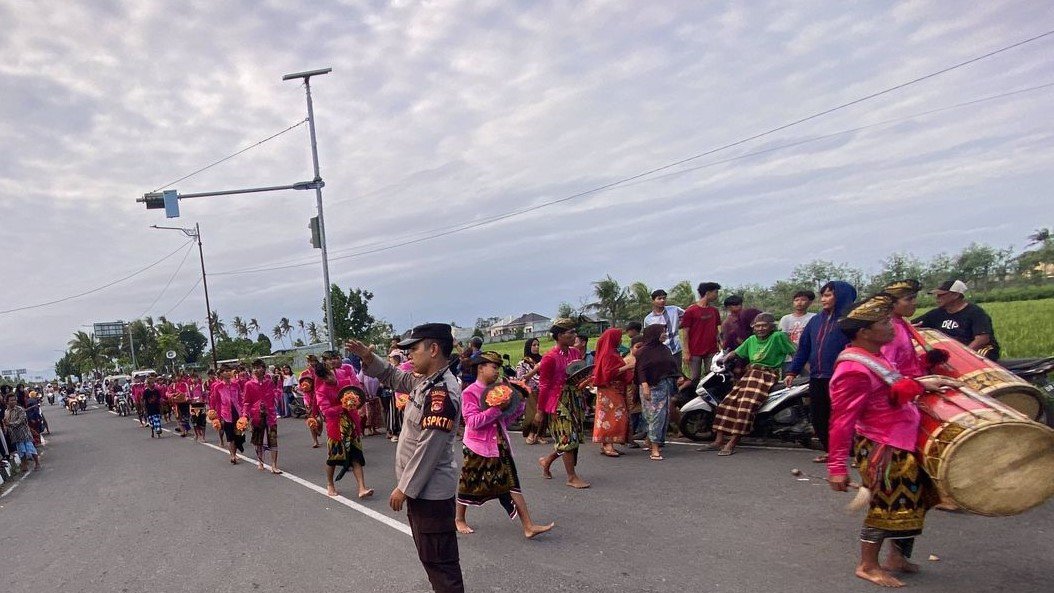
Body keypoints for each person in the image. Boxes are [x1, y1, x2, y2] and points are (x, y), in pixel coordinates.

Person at [827, 293, 958, 588]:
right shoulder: (852, 369)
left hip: (903, 439)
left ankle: (896, 557)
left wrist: (922, 382)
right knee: (886, 508)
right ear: (864, 332)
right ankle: (867, 564)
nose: (891, 326)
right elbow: (841, 421)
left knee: (914, 503)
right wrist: (836, 467)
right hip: (882, 448)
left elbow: (891, 390)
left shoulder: (878, 355)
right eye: (884, 322)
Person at [347, 323, 465, 593]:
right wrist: (367, 357)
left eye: (414, 349)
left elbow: (429, 448)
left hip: (429, 493)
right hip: (424, 493)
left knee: (441, 563)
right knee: (432, 559)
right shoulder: (427, 381)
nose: (409, 355)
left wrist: (404, 488)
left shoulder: (441, 393)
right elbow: (393, 377)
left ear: (433, 349)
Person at [455, 351, 554, 539]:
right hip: (478, 447)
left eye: (498, 368)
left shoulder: (498, 390)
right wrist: (496, 409)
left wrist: (519, 404)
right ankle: (459, 518)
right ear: (481, 368)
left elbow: (505, 421)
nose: (496, 371)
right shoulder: (470, 393)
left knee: (512, 485)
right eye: (493, 367)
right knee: (468, 483)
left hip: (499, 445)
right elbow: (473, 422)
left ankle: (528, 526)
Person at [785, 280, 857, 463]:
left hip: (843, 377)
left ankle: (858, 453)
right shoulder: (816, 320)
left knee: (848, 417)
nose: (823, 299)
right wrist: (792, 371)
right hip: (817, 376)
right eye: (822, 295)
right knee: (819, 417)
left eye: (827, 295)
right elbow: (804, 348)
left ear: (840, 296)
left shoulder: (852, 321)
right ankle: (831, 451)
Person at [705, 313, 796, 456]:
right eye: (757, 326)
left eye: (764, 326)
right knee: (726, 403)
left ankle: (733, 442)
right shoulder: (752, 339)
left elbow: (794, 351)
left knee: (746, 406)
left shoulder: (778, 337)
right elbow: (737, 352)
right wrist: (723, 358)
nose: (760, 329)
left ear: (771, 326)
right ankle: (719, 440)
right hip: (750, 374)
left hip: (766, 375)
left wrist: (794, 371)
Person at [523, 318, 590, 489]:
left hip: (574, 398)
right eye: (570, 332)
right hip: (558, 400)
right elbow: (544, 385)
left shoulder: (575, 353)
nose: (574, 335)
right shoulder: (549, 358)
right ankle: (571, 476)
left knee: (572, 438)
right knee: (567, 437)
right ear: (560, 335)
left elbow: (579, 373)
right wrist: (540, 410)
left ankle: (547, 460)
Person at [314, 361, 373, 499]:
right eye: (326, 376)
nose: (330, 377)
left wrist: (357, 402)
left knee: (356, 457)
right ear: (322, 378)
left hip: (352, 424)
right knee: (333, 459)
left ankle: (362, 488)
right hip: (336, 427)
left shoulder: (344, 377)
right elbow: (327, 411)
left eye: (330, 372)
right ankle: (330, 484)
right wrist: (344, 406)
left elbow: (357, 393)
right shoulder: (321, 391)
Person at [914, 279, 1000, 360]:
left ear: (956, 295)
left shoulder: (975, 312)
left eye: (941, 295)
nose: (937, 298)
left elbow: (982, 339)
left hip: (975, 351)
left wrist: (962, 355)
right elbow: (913, 325)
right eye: (937, 295)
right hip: (952, 352)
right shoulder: (936, 314)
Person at [634, 325, 684, 461]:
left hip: (665, 386)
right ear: (654, 334)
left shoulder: (665, 349)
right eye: (662, 332)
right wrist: (645, 386)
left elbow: (672, 365)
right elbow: (641, 370)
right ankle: (654, 448)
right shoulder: (643, 351)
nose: (665, 335)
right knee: (654, 416)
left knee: (663, 415)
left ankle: (652, 442)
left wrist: (678, 376)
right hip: (650, 387)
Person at [591, 328, 633, 457]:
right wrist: (628, 367)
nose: (620, 340)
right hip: (610, 389)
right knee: (612, 417)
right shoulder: (608, 355)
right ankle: (608, 444)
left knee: (614, 416)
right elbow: (608, 373)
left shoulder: (612, 353)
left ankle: (608, 444)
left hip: (615, 389)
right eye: (619, 337)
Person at [680, 282, 722, 392]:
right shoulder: (691, 311)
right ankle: (691, 400)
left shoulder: (714, 311)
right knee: (694, 378)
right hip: (695, 350)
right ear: (707, 293)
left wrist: (721, 347)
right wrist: (686, 351)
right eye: (715, 292)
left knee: (711, 376)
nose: (717, 295)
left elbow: (717, 331)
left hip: (712, 349)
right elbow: (685, 333)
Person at [242, 359, 282, 474]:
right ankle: (260, 461)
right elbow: (246, 402)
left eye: (259, 367)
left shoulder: (269, 382)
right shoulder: (249, 384)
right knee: (258, 440)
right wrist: (245, 415)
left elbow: (276, 393)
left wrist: (277, 389)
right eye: (254, 368)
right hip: (256, 416)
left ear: (264, 369)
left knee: (273, 439)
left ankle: (274, 465)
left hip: (270, 415)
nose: (256, 370)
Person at [210, 366, 245, 463]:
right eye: (225, 371)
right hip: (225, 414)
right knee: (230, 436)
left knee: (238, 435)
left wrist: (244, 412)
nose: (228, 372)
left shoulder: (236, 385)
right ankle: (232, 456)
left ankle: (235, 452)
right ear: (221, 374)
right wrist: (216, 416)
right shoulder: (218, 387)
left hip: (237, 412)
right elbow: (216, 401)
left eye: (229, 370)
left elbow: (240, 399)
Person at [643, 289, 685, 359]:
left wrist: (680, 325)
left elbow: (687, 315)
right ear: (653, 301)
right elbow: (647, 337)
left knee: (677, 370)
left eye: (664, 298)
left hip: (675, 349)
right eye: (659, 298)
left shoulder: (674, 310)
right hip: (658, 351)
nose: (662, 300)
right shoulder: (648, 319)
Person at [515, 338, 543, 442]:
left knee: (544, 415)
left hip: (543, 390)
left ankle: (539, 435)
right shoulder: (523, 363)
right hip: (531, 391)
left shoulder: (543, 359)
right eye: (534, 345)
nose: (536, 347)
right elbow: (521, 378)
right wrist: (535, 369)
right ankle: (530, 434)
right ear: (528, 347)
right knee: (532, 415)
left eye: (538, 345)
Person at [4, 394, 40, 472]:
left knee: (30, 448)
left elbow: (19, 422)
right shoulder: (6, 411)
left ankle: (37, 463)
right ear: (7, 402)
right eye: (11, 400)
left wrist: (9, 424)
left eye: (14, 400)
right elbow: (6, 422)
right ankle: (24, 465)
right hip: (15, 435)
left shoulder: (19, 409)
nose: (13, 401)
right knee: (21, 451)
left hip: (24, 433)